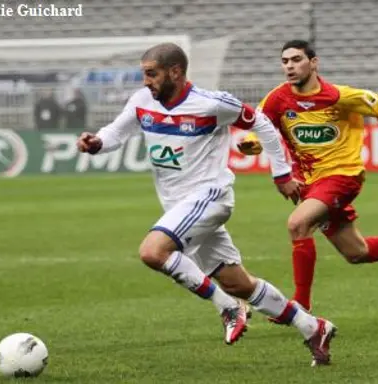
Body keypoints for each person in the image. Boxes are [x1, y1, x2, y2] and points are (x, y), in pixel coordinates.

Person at [77, 43, 337, 366]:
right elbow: (118, 131)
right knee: (237, 282)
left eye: (151, 74)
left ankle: (228, 307)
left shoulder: (211, 103)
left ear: (175, 72)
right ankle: (313, 327)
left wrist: (281, 173)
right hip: (178, 208)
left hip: (210, 196)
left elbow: (261, 123)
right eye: (144, 74)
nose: (146, 82)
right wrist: (97, 143)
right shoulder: (144, 101)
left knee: (152, 251)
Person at [237, 40, 378, 313]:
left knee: (297, 224)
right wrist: (251, 143)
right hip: (310, 184)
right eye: (285, 61)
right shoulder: (277, 98)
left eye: (296, 59)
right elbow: (262, 129)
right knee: (356, 252)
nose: (289, 66)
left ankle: (300, 306)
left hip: (342, 176)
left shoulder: (340, 96)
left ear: (313, 63)